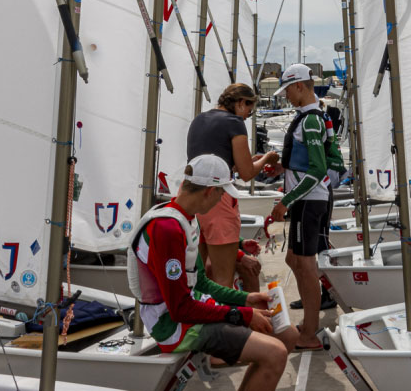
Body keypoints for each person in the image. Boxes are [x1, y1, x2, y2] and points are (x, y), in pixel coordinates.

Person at [127, 155, 297, 390]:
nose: (221, 200)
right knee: (275, 353)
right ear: (209, 191)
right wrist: (242, 314)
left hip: (192, 313)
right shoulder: (166, 229)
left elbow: (202, 283)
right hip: (174, 328)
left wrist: (247, 298)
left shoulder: (186, 218)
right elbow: (179, 309)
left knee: (287, 336)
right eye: (221, 194)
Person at [266, 64, 344, 351]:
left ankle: (309, 332)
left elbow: (317, 170)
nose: (285, 95)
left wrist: (285, 201)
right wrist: (284, 168)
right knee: (294, 260)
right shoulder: (310, 118)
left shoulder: (310, 120)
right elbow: (309, 163)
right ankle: (310, 322)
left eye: (287, 89)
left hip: (309, 201)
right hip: (309, 200)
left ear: (299, 85)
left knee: (306, 265)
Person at [187, 83, 279, 288]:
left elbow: (215, 162)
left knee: (199, 277)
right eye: (249, 108)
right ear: (240, 103)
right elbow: (247, 174)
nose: (248, 115)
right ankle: (229, 317)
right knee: (222, 279)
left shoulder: (199, 120)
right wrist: (266, 159)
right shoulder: (234, 123)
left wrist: (243, 162)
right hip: (216, 200)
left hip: (193, 200)